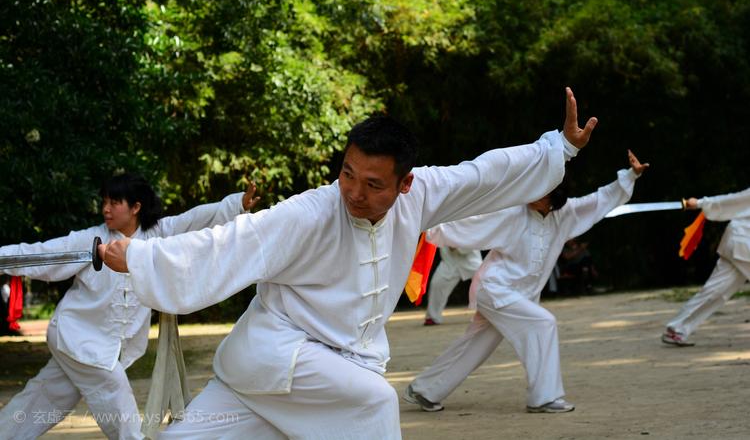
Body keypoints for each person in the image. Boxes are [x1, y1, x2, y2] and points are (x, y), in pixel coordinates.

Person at [98, 87, 596, 440]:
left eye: (374, 184)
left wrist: (560, 148)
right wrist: (141, 257)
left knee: (365, 398)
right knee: (373, 402)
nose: (354, 193)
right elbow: (231, 242)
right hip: (276, 359)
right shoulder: (310, 212)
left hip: (330, 371)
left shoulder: (423, 194)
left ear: (405, 184)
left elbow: (485, 175)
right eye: (347, 174)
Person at [0, 174, 259, 440]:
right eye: (104, 201)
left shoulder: (159, 234)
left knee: (42, 399)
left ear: (136, 207)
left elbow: (194, 221)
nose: (106, 209)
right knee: (114, 390)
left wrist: (236, 204)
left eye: (114, 202)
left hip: (102, 345)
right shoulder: (92, 239)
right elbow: (42, 253)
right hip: (78, 337)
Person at [403, 150, 648, 414]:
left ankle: (425, 391)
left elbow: (600, 200)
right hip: (495, 290)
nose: (532, 192)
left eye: (540, 190)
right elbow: (469, 225)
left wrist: (630, 176)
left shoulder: (565, 215)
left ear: (553, 196)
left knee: (473, 347)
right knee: (543, 323)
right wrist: (427, 224)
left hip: (518, 297)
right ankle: (544, 398)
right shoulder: (511, 213)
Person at [662, 187, 750, 347]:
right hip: (743, 241)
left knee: (716, 291)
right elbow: (735, 200)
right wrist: (700, 203)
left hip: (739, 243)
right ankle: (677, 328)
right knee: (715, 291)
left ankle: (677, 328)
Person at [423, 247, 483, 326]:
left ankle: (490, 313)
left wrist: (456, 244)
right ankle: (432, 317)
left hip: (471, 259)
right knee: (437, 284)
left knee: (485, 282)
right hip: (449, 260)